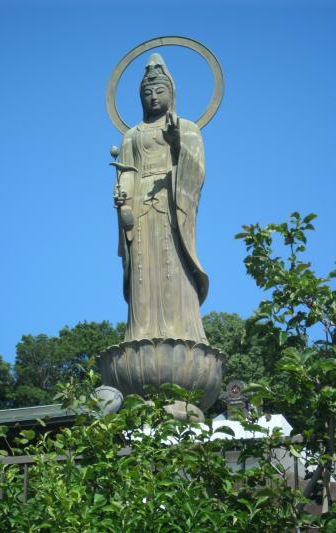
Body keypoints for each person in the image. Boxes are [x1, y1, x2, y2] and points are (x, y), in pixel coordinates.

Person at [115, 53, 208, 343]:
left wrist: (177, 144)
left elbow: (197, 170)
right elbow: (126, 171)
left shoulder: (187, 128)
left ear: (172, 93)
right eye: (147, 93)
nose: (153, 97)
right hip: (140, 206)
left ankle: (180, 330)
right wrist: (123, 198)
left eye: (159, 90)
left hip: (172, 204)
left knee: (173, 265)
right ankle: (141, 331)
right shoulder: (132, 135)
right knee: (143, 268)